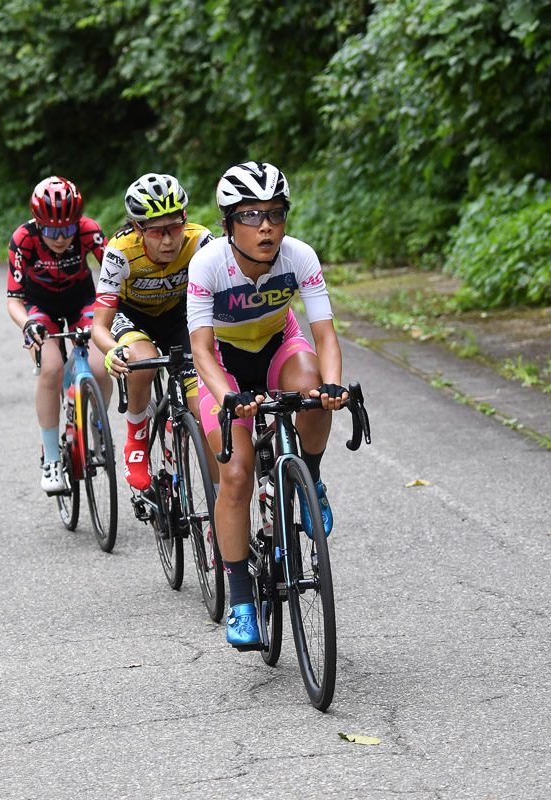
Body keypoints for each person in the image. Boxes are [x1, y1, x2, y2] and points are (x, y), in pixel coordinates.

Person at [186, 161, 348, 647]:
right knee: (234, 473)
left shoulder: (299, 256)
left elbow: (325, 335)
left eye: (275, 214)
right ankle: (239, 598)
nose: (266, 227)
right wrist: (229, 399)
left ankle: (310, 479)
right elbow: (199, 350)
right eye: (252, 215)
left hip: (279, 346)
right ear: (228, 222)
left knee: (314, 391)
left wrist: (335, 386)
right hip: (222, 365)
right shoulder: (209, 263)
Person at [93, 173, 214, 492]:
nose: (168, 240)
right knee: (141, 362)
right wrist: (111, 351)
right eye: (157, 232)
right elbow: (99, 326)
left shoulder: (200, 241)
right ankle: (136, 436)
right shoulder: (119, 251)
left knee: (199, 405)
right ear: (137, 228)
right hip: (133, 317)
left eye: (175, 227)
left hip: (179, 317)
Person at [7, 176, 111, 492]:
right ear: (38, 224)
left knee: (99, 364)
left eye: (67, 229)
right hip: (39, 306)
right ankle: (52, 458)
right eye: (51, 231)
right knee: (51, 369)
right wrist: (28, 324)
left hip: (82, 299)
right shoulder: (23, 238)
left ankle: (97, 426)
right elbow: (13, 300)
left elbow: (113, 274)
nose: (61, 238)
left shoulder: (89, 230)